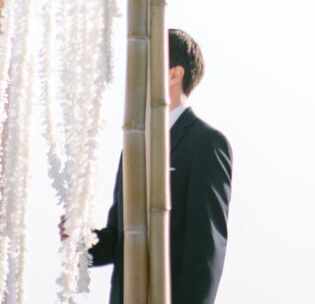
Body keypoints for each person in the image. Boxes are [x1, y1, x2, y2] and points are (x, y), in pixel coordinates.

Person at [89, 28, 232, 304]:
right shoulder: (133, 149)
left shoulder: (207, 144)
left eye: (147, 62)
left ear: (174, 74)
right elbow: (117, 239)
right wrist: (81, 241)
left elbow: (207, 251)